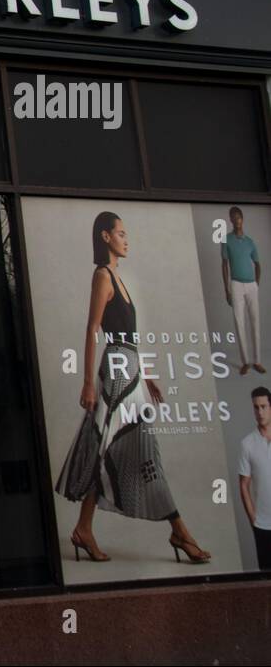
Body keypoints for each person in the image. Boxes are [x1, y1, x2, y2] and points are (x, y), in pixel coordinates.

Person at [55, 211, 211, 564]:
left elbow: (129, 338)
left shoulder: (119, 278)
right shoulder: (103, 276)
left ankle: (84, 529)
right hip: (116, 375)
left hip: (131, 370)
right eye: (121, 233)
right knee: (137, 450)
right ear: (105, 237)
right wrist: (87, 382)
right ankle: (179, 530)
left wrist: (148, 372)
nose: (127, 239)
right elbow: (93, 328)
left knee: (113, 450)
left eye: (127, 234)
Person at [222, 206, 263, 375]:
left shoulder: (250, 242)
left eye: (238, 217)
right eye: (233, 217)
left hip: (251, 284)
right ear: (230, 220)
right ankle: (245, 361)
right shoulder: (226, 240)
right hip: (236, 284)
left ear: (242, 219)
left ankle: (258, 361)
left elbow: (258, 264)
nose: (236, 220)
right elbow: (224, 265)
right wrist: (227, 290)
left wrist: (256, 284)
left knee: (255, 322)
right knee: (239, 323)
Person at [238, 387, 271, 570]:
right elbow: (244, 485)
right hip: (263, 527)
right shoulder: (247, 444)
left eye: (263, 406)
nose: (260, 412)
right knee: (266, 583)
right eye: (256, 407)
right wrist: (254, 521)